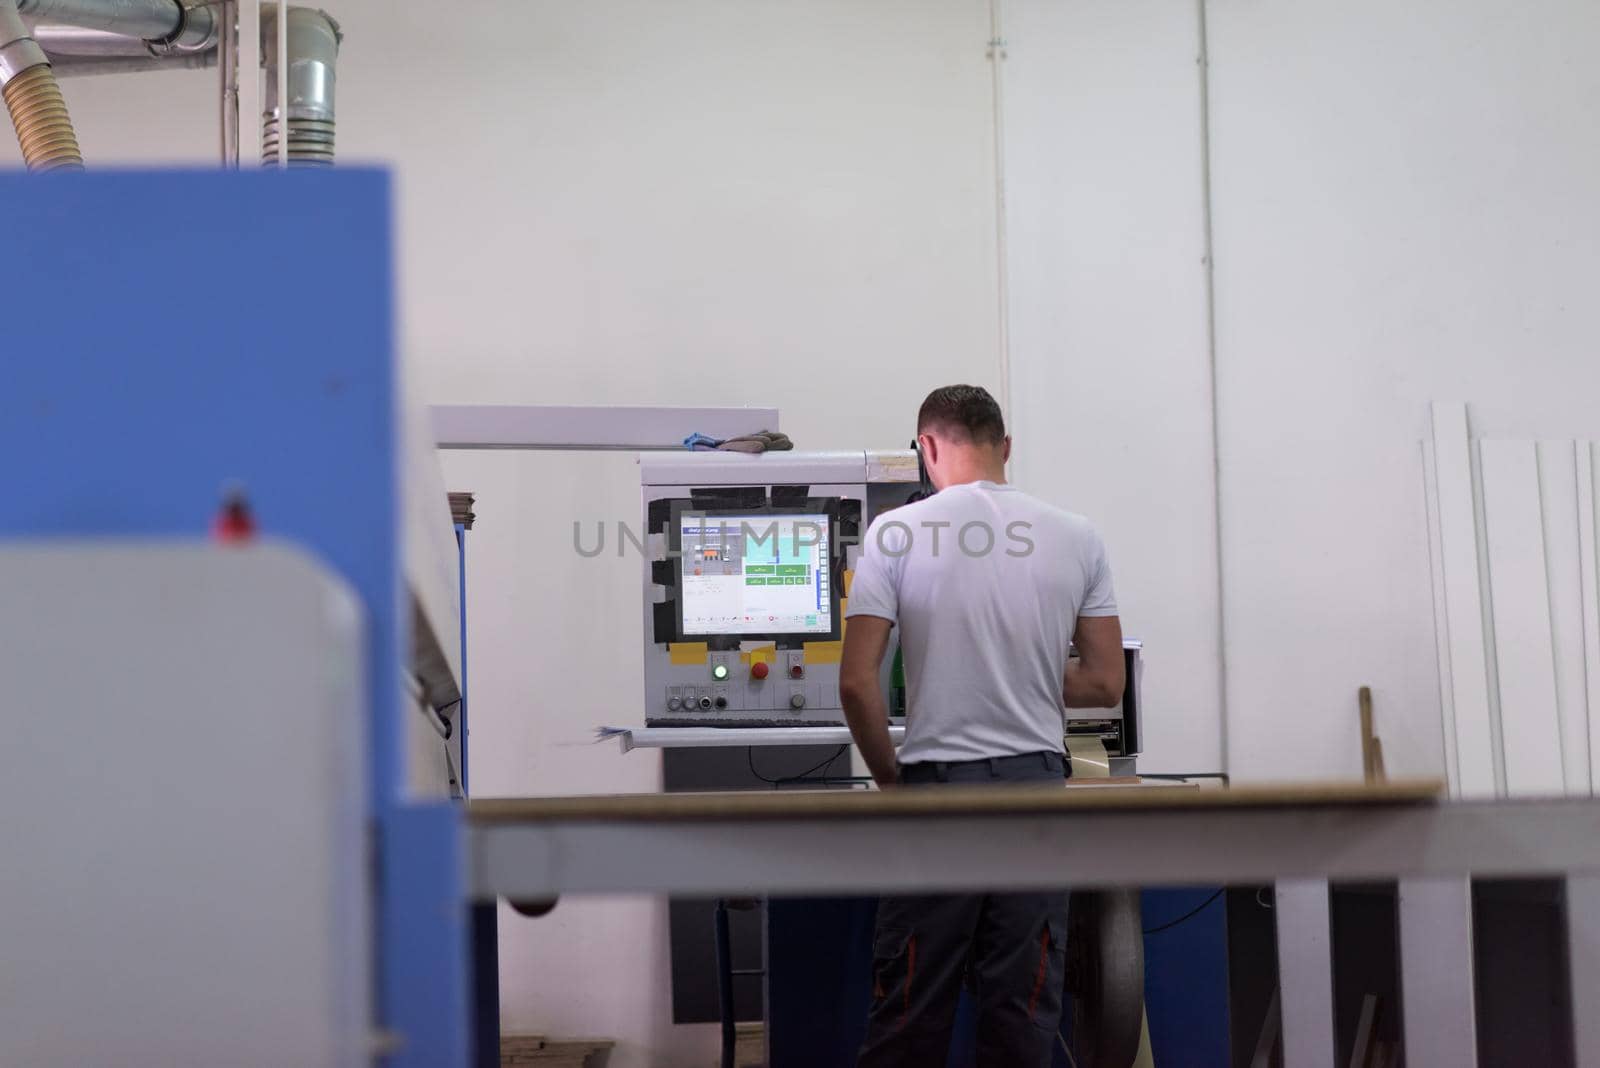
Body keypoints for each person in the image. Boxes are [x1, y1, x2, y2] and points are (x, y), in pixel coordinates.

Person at [840, 384, 1125, 1068]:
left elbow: (855, 682)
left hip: (936, 794)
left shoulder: (896, 533)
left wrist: (891, 780)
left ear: (928, 447)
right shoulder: (1078, 536)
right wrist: (1019, 666)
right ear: (1007, 446)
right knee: (1023, 1012)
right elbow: (1106, 682)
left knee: (910, 1009)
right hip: (1035, 796)